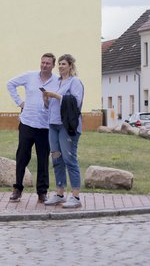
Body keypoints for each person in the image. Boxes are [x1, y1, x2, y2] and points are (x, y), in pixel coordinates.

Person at [6, 52, 56, 203]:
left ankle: (42, 192)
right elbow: (10, 84)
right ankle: (17, 189)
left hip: (45, 126)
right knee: (22, 156)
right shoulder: (30, 76)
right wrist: (20, 103)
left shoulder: (57, 81)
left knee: (43, 159)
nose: (44, 65)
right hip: (27, 122)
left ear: (53, 66)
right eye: (42, 62)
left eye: (48, 63)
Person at [42, 53, 85, 209]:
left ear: (70, 66)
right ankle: (59, 193)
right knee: (56, 159)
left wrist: (56, 95)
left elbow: (75, 102)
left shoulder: (75, 82)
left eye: (63, 64)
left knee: (69, 159)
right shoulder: (56, 82)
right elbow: (49, 106)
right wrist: (46, 98)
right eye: (59, 64)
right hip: (53, 125)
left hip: (67, 127)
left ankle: (75, 196)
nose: (60, 66)